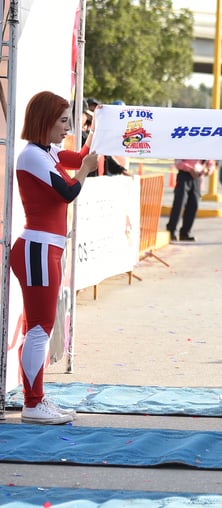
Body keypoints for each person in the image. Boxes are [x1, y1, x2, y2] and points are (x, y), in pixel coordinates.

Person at [10, 91, 99, 424]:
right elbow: (68, 192)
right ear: (45, 121)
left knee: (40, 327)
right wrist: (85, 170)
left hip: (46, 249)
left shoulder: (48, 154)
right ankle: (33, 404)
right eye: (63, 121)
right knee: (39, 329)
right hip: (38, 249)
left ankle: (37, 400)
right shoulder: (33, 156)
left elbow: (82, 157)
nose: (67, 128)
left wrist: (99, 128)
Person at [166, 159, 212, 242]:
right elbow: (178, 162)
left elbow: (211, 162)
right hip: (184, 175)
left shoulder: (205, 147)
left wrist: (208, 170)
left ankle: (185, 233)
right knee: (179, 204)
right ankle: (171, 230)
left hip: (197, 177)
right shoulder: (184, 146)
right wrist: (190, 169)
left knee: (193, 205)